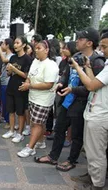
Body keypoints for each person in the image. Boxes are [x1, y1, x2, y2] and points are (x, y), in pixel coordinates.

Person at [35, 28, 105, 174]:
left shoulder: (97, 61)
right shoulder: (76, 56)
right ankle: (53, 156)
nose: (77, 41)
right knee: (59, 128)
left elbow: (92, 87)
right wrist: (61, 84)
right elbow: (66, 75)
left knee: (76, 135)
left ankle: (71, 160)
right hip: (67, 101)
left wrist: (73, 90)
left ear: (89, 43)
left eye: (80, 39)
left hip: (81, 103)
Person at [69, 32, 108, 190]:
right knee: (92, 150)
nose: (102, 50)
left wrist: (78, 68)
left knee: (96, 152)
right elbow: (94, 81)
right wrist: (87, 67)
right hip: (94, 110)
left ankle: (97, 184)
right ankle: (92, 176)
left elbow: (90, 86)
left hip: (100, 114)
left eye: (105, 47)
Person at [17, 40, 59, 157]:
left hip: (43, 100)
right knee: (38, 122)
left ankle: (30, 148)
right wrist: (27, 83)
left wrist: (29, 85)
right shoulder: (35, 61)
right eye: (35, 48)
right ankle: (40, 142)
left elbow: (48, 84)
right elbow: (29, 76)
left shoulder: (51, 65)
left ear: (47, 50)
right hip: (33, 97)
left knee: (36, 123)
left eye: (39, 48)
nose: (36, 50)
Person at [2, 36, 33, 143]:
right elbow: (9, 73)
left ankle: (20, 133)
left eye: (17, 43)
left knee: (20, 112)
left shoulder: (28, 59)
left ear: (23, 45)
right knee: (10, 110)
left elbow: (26, 75)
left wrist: (14, 69)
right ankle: (11, 130)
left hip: (21, 88)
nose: (15, 45)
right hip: (11, 86)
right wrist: (9, 71)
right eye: (14, 43)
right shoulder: (13, 58)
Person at [0, 38, 15, 128]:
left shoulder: (11, 56)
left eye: (3, 44)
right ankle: (3, 118)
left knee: (6, 102)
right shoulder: (3, 54)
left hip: (7, 81)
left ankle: (9, 121)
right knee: (2, 101)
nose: (2, 46)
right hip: (1, 80)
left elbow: (4, 60)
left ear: (8, 45)